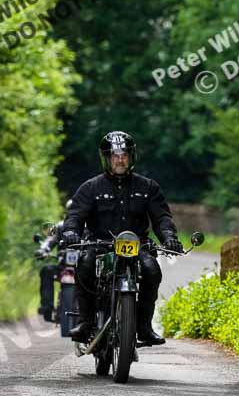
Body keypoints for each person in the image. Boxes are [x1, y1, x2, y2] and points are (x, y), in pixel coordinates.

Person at [62, 131, 183, 345]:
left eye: (124, 155)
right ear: (107, 158)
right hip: (100, 245)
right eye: (115, 155)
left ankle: (144, 327)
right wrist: (71, 232)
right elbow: (75, 215)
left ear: (131, 157)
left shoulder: (148, 187)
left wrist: (169, 237)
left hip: (137, 247)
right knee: (85, 264)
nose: (120, 159)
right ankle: (86, 322)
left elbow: (162, 217)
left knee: (152, 270)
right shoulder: (91, 187)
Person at [35, 200, 72, 322]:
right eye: (71, 211)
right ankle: (47, 306)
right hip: (63, 266)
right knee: (46, 271)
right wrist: (43, 249)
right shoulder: (59, 227)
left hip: (84, 266)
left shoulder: (89, 226)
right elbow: (50, 240)